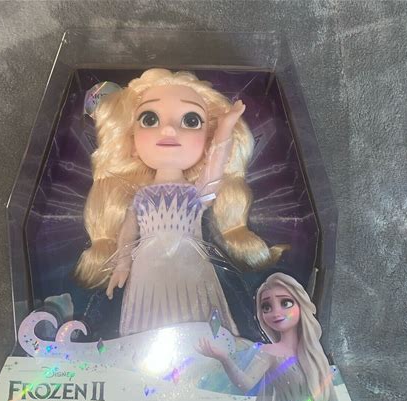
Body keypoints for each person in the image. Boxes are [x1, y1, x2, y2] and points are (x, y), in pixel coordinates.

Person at [75, 69, 287, 337]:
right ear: (131, 140)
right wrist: (122, 264)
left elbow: (215, 167)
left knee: (196, 307)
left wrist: (225, 127)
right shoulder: (141, 197)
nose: (168, 129)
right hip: (148, 266)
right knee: (149, 314)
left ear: (206, 138)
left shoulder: (197, 193)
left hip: (190, 263)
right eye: (149, 119)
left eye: (191, 120)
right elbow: (127, 232)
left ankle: (207, 347)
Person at [198, 272, 362, 401]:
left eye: (285, 303)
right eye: (266, 307)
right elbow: (245, 383)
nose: (276, 312)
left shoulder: (316, 355)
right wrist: (224, 358)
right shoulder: (269, 353)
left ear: (301, 304)